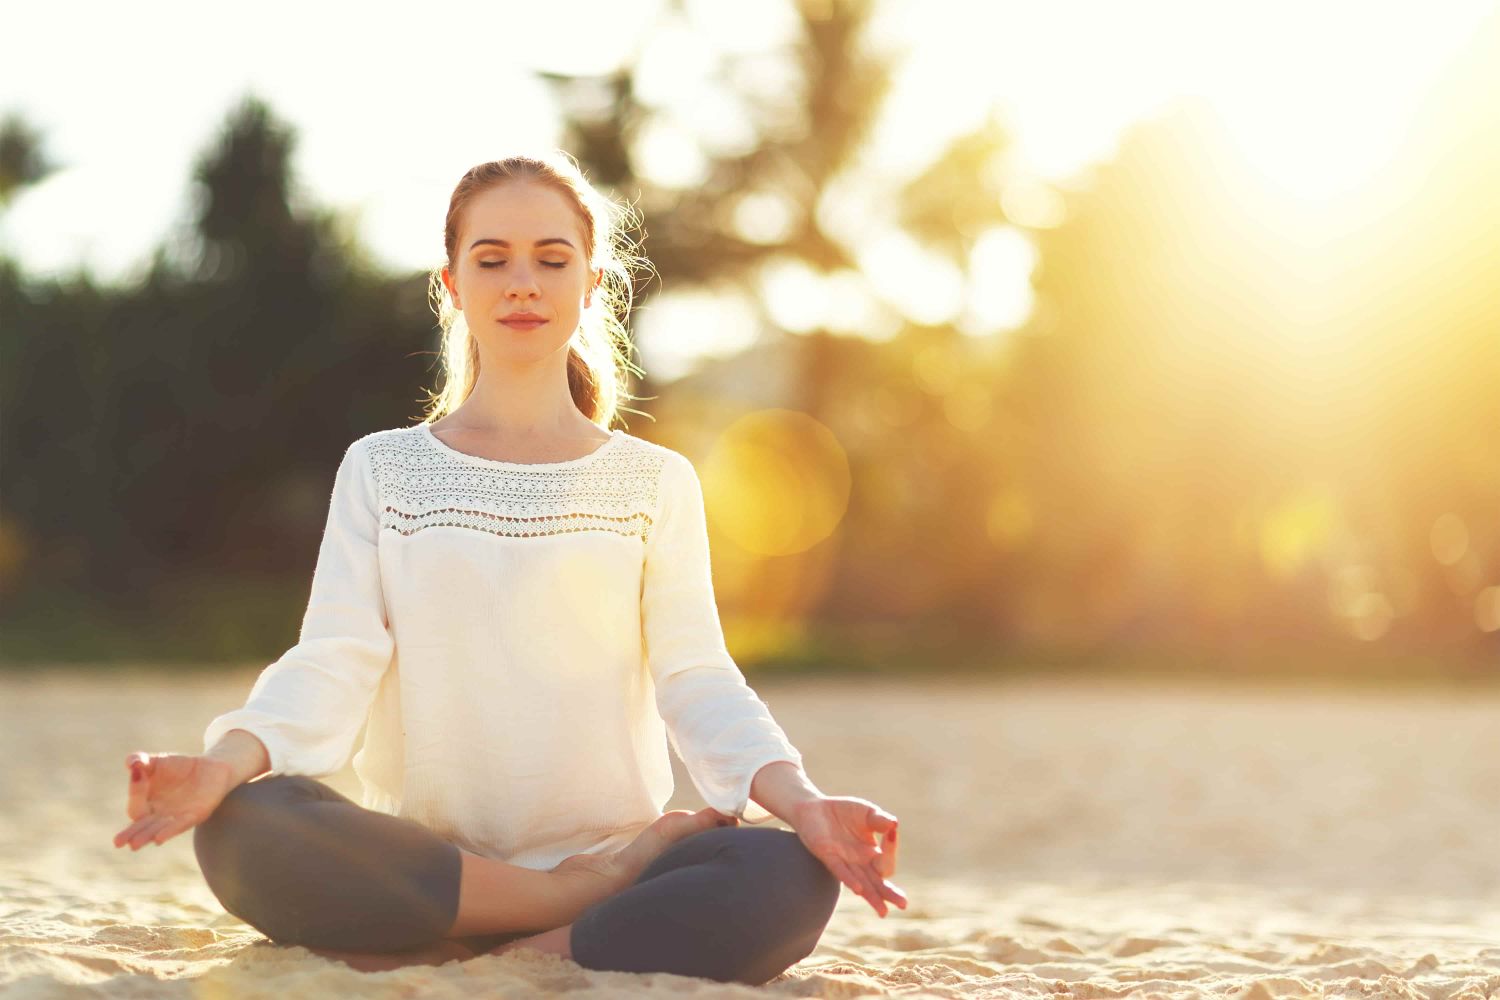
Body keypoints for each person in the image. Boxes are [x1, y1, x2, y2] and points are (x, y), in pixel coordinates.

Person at [112, 152, 906, 985]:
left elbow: (697, 675)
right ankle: (556, 909)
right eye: (492, 259)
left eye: (551, 260)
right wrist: (225, 763)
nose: (522, 283)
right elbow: (333, 657)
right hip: (433, 864)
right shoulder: (383, 469)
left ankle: (492, 937)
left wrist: (808, 805)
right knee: (245, 824)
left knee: (789, 873)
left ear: (591, 283)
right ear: (452, 284)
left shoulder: (654, 482)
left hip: (616, 854)